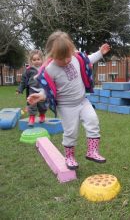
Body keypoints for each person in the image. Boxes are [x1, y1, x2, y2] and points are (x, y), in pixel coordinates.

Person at [27, 31, 110, 170]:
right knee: (71, 132)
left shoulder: (76, 58)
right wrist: (41, 95)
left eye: (67, 56)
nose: (66, 61)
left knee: (93, 121)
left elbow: (88, 59)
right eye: (61, 58)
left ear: (71, 51)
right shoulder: (50, 69)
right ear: (52, 56)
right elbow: (48, 88)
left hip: (83, 101)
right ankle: (69, 157)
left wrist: (100, 53)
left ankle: (92, 151)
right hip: (66, 107)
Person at [16, 50, 47, 126]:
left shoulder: (45, 69)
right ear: (31, 61)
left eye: (38, 59)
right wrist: (19, 89)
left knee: (42, 105)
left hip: (42, 90)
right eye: (34, 60)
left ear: (42, 59)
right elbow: (23, 81)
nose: (36, 61)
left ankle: (42, 115)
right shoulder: (28, 70)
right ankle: (31, 118)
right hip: (32, 90)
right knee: (32, 104)